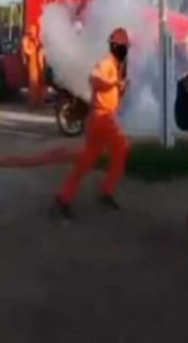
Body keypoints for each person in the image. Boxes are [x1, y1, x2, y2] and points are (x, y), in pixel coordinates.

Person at [52, 28, 130, 220]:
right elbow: (94, 79)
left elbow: (112, 90)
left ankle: (66, 196)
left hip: (104, 118)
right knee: (120, 150)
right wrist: (113, 83)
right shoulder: (106, 63)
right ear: (114, 46)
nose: (124, 50)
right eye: (122, 46)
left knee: (89, 160)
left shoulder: (117, 65)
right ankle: (103, 192)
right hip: (101, 118)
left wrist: (121, 88)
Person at [21, 24, 45, 108]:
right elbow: (26, 51)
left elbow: (41, 50)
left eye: (35, 31)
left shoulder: (36, 40)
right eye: (32, 31)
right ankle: (32, 103)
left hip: (38, 65)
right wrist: (33, 48)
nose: (33, 33)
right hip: (31, 64)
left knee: (40, 85)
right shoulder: (25, 40)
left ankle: (39, 102)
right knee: (33, 85)